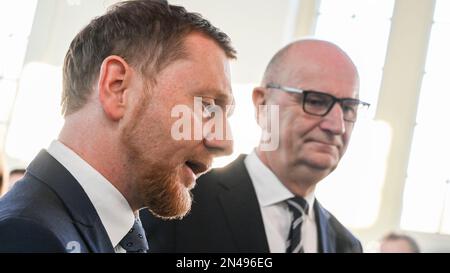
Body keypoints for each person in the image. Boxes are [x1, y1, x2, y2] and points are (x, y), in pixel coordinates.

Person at [0, 0, 235, 253]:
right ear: (118, 87)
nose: (225, 143)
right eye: (208, 106)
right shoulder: (27, 237)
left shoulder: (99, 233)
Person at [141, 39, 369, 253]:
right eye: (315, 101)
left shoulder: (347, 245)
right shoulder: (176, 205)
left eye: (349, 108)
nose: (336, 126)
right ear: (262, 103)